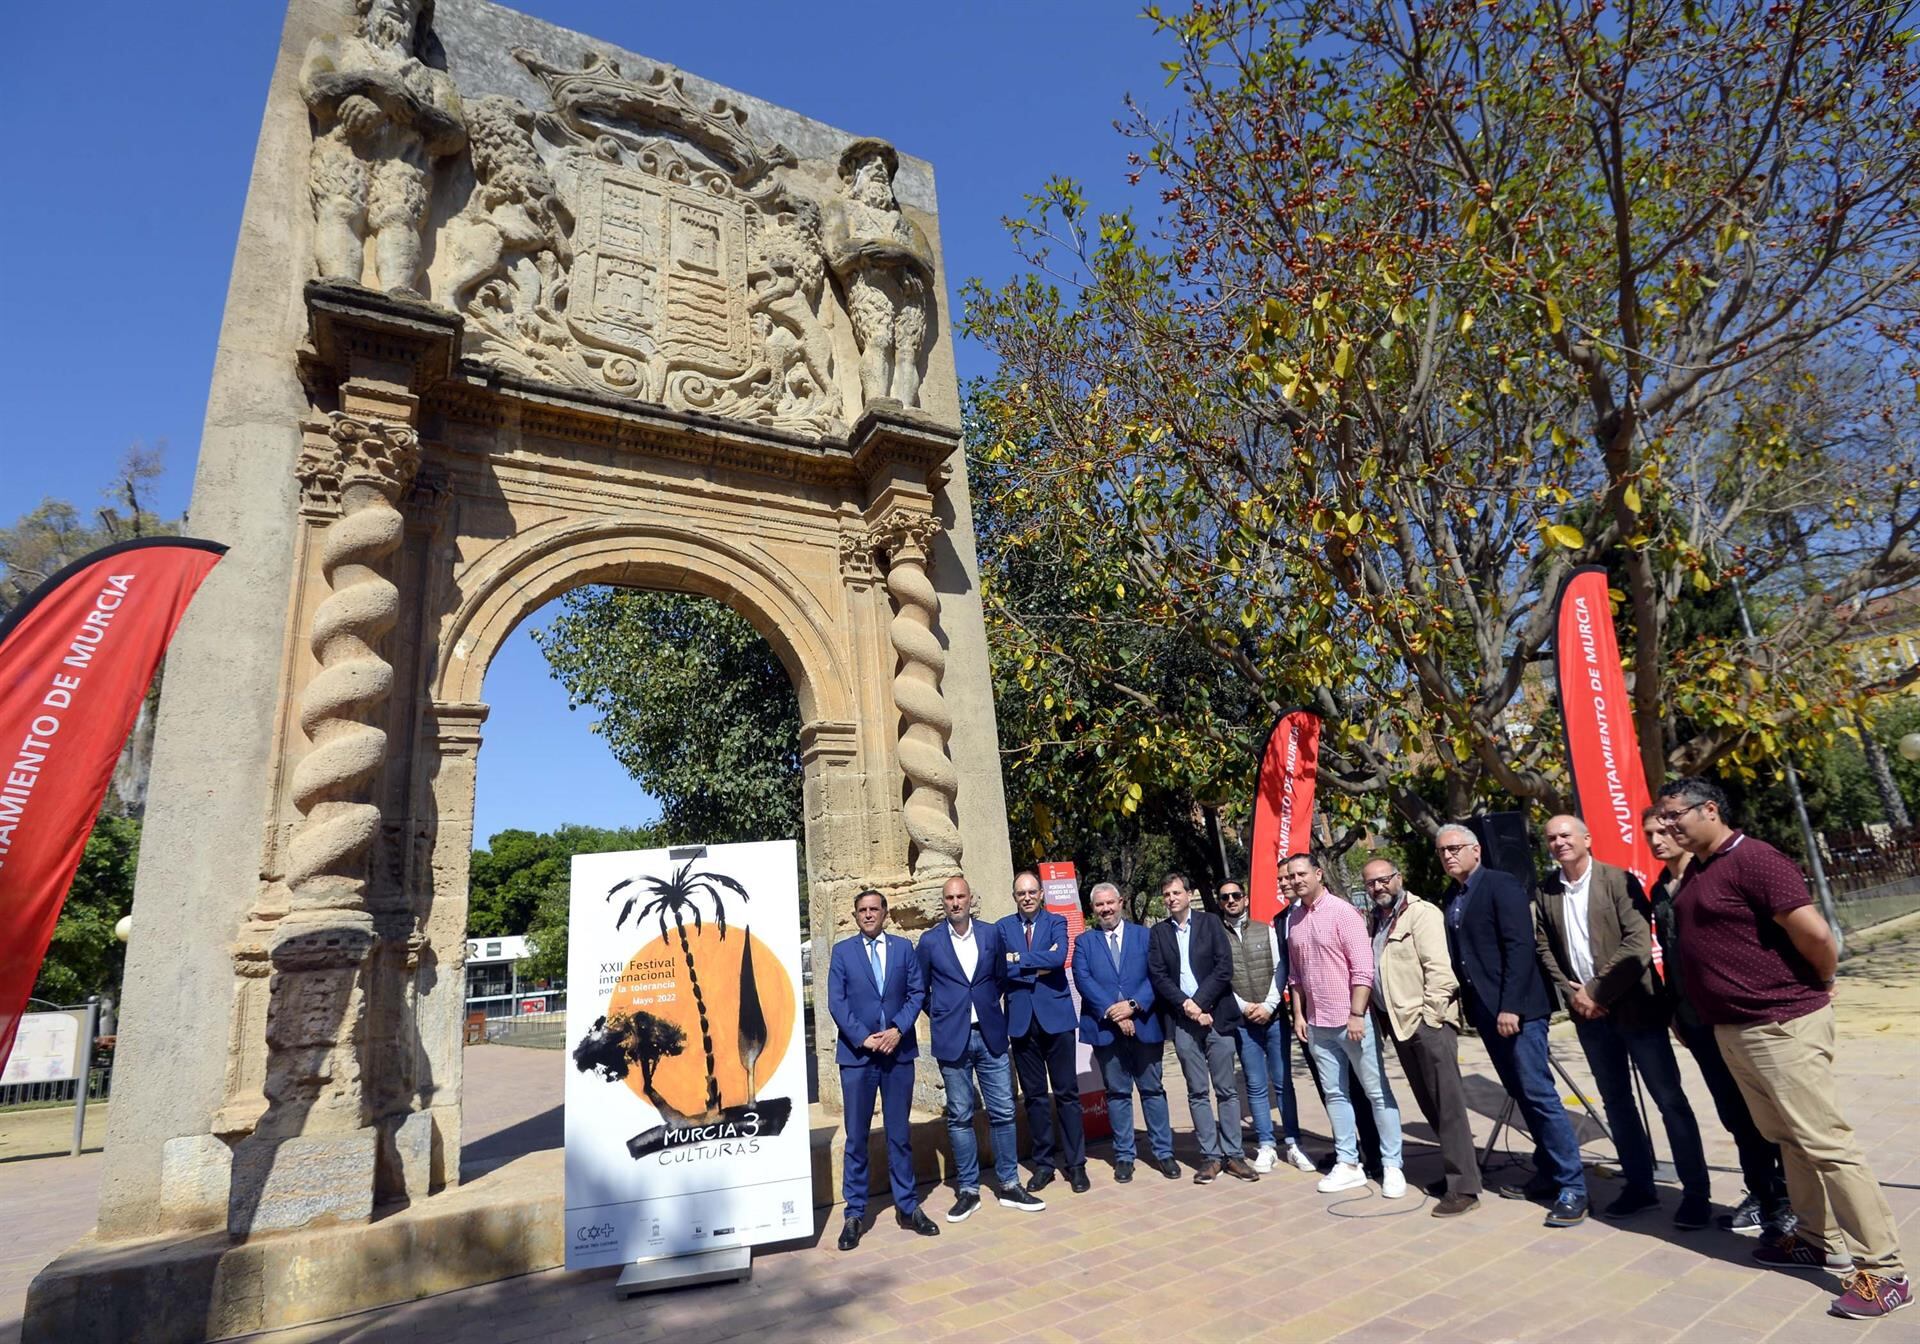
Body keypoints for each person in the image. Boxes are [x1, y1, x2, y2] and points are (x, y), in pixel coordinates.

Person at [1658, 778, 1910, 1320]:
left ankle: (1886, 1271)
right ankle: (1818, 1239)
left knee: (1827, 1144)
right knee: (1788, 1140)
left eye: (1675, 814)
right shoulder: (1700, 868)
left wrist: (1821, 982)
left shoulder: (1755, 859)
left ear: (1709, 809)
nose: (1667, 824)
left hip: (1781, 1027)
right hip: (1736, 1030)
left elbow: (1815, 935)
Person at [1536, 815, 1712, 1229]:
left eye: (1566, 835)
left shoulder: (1618, 880)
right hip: (1589, 1018)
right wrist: (1575, 995)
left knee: (1669, 1100)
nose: (1559, 842)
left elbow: (1637, 943)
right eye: (1551, 838)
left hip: (1636, 1009)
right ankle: (1639, 1186)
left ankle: (1696, 1193)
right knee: (1616, 1103)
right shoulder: (1545, 891)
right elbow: (1543, 946)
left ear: (1587, 838)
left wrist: (1597, 991)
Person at [1642, 806, 1793, 1239]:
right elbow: (1671, 955)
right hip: (1696, 1020)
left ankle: (1789, 1199)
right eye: (1649, 834)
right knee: (1733, 1113)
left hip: (1739, 1014)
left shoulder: (1709, 875)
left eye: (1664, 830)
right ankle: (1762, 1192)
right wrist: (1674, 1010)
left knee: (1768, 1111)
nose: (1658, 841)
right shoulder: (1659, 889)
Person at [1436, 823, 1590, 1228]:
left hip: (1517, 1012)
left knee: (1539, 1095)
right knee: (1522, 1094)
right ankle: (1549, 1171)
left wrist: (1511, 1007)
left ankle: (1573, 1186)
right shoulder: (1452, 896)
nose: (1448, 855)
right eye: (1442, 851)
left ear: (1476, 850)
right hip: (1486, 1014)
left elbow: (1520, 947)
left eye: (1455, 848)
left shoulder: (1500, 885)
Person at [916, 876, 1044, 1221]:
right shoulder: (929, 942)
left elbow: (1000, 977)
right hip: (952, 1039)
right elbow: (920, 989)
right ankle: (969, 1190)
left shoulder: (990, 934)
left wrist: (985, 1007)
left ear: (970, 899)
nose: (956, 902)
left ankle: (1009, 1184)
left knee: (1003, 1111)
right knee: (960, 1116)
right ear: (943, 903)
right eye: (949, 898)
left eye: (961, 896)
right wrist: (943, 1015)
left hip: (990, 1036)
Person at [1282, 854, 1406, 1198]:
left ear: (1318, 874)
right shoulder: (1295, 920)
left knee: (1376, 1092)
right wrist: (1299, 1015)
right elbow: (1296, 975)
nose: (1296, 880)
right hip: (1317, 1025)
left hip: (1352, 1021)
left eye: (1302, 873)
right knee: (1335, 1094)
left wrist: (1356, 1013)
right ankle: (1348, 1162)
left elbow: (1363, 969)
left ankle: (1392, 1164)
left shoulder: (1343, 913)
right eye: (1291, 876)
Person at [1362, 858, 1481, 1217]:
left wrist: (1431, 1019)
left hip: (1426, 1024)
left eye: (1384, 879)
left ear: (1398, 877)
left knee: (1448, 1105)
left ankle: (1464, 1188)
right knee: (1431, 1105)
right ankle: (1457, 1172)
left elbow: (1440, 971)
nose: (1378, 887)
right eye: (1371, 883)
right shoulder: (1377, 921)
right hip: (1400, 1026)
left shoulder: (1421, 914)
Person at [827, 888, 937, 1248]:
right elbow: (836, 1002)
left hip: (897, 1053)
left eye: (874, 909)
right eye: (862, 910)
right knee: (856, 1137)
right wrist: (864, 1038)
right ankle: (855, 1213)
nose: (869, 914)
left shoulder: (904, 949)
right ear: (855, 915)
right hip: (858, 1057)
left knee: (899, 1134)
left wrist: (897, 1029)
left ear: (885, 912)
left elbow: (916, 993)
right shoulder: (843, 952)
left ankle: (908, 1206)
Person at [1148, 872, 1259, 1183]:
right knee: (1197, 1091)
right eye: (1166, 894)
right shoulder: (1158, 933)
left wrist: (1200, 1003)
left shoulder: (1210, 923)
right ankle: (1210, 1156)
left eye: (1176, 892)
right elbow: (1158, 976)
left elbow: (1224, 967)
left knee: (1226, 1090)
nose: (1171, 898)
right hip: (1184, 1022)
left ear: (1189, 893)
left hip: (1217, 1019)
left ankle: (1234, 1154)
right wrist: (1188, 1006)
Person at [1072, 881, 1175, 1182]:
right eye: (1099, 905)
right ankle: (1125, 1156)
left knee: (1152, 1089)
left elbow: (1156, 976)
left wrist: (1132, 1006)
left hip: (1144, 1023)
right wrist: (1115, 1013)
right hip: (1105, 1028)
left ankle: (1163, 1152)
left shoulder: (1145, 935)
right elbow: (1083, 980)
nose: (1106, 909)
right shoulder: (1084, 942)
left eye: (1110, 903)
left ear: (1120, 902)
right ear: (1093, 909)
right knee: (1117, 1093)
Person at [996, 871, 1089, 1193]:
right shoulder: (1002, 928)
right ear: (1014, 897)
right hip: (1021, 1022)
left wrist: (1018, 959)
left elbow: (1059, 957)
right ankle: (1044, 1165)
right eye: (1021, 893)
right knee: (1034, 1097)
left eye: (1032, 891)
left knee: (1067, 1093)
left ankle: (1076, 1164)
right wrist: (1036, 964)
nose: (1027, 897)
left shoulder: (1057, 922)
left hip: (1057, 1019)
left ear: (1041, 894)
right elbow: (1001, 967)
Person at [1218, 879, 1315, 1175]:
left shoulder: (1266, 929)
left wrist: (1270, 1005)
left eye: (1236, 895)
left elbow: (1280, 967)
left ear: (1245, 899)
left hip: (1273, 1018)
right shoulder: (1217, 937)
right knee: (1256, 1084)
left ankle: (1294, 1143)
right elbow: (1221, 977)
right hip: (1244, 1022)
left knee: (1283, 1082)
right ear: (1220, 902)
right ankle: (1266, 1145)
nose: (1231, 900)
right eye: (1225, 897)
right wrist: (1244, 1007)